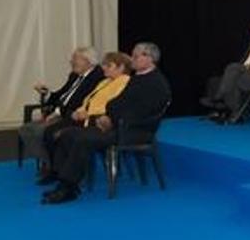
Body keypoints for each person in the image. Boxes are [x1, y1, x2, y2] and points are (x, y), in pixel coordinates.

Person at [42, 43, 171, 205]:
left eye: (137, 56)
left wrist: (112, 119)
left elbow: (143, 113)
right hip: (119, 124)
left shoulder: (156, 83)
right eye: (133, 54)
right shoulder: (138, 78)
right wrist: (108, 116)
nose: (133, 59)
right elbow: (116, 103)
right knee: (69, 134)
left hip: (133, 131)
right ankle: (66, 182)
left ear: (150, 59)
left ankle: (68, 187)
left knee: (82, 138)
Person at [20, 47, 104, 172]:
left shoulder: (96, 77)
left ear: (88, 61)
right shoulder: (74, 75)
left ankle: (54, 167)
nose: (72, 62)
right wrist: (47, 93)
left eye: (76, 59)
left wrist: (57, 112)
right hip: (62, 113)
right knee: (27, 129)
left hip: (74, 115)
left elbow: (80, 102)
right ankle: (49, 162)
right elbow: (61, 94)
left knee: (44, 131)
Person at [202, 21, 250, 120]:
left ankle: (219, 98)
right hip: (242, 71)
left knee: (233, 67)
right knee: (214, 80)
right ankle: (225, 111)